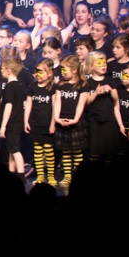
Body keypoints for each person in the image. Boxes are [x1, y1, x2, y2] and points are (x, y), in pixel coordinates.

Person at [53, 55, 87, 187]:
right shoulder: (61, 85)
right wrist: (57, 118)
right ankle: (67, 175)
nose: (62, 72)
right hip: (62, 120)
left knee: (77, 151)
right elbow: (57, 102)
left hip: (76, 122)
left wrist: (75, 119)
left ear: (74, 70)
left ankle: (77, 175)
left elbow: (81, 104)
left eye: (64, 69)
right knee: (65, 151)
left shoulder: (82, 85)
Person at [84, 51, 122, 163]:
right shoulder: (88, 82)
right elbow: (86, 102)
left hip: (108, 118)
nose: (103, 66)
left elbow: (116, 99)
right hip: (94, 120)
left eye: (104, 63)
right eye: (99, 63)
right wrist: (96, 93)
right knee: (94, 150)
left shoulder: (110, 80)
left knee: (108, 150)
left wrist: (111, 90)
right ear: (91, 65)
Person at [0, 56, 27, 180]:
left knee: (15, 150)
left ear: (9, 71)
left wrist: (3, 126)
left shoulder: (10, 87)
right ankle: (11, 174)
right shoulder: (19, 86)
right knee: (11, 150)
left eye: (2, 68)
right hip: (16, 123)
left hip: (12, 123)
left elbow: (8, 106)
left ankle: (21, 175)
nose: (0, 70)